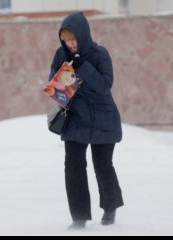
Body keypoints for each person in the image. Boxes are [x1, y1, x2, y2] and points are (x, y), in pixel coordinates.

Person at [49, 12, 124, 230]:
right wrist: (66, 74)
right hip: (75, 119)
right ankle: (79, 217)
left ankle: (110, 208)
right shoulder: (60, 55)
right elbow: (56, 90)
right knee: (73, 167)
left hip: (103, 118)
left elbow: (104, 87)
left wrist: (82, 67)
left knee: (103, 166)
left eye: (73, 39)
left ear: (83, 35)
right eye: (66, 40)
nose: (70, 44)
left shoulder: (100, 54)